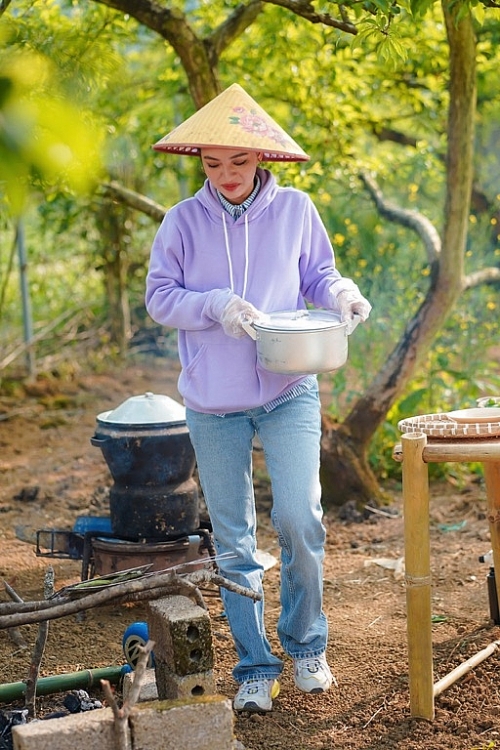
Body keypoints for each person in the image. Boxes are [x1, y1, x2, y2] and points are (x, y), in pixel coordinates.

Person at [145, 83, 371, 712]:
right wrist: (215, 305)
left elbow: (318, 274)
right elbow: (160, 297)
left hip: (289, 386)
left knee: (299, 518)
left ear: (261, 159)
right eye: (212, 164)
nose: (226, 176)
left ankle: (306, 647)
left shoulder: (297, 210)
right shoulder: (182, 221)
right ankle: (255, 666)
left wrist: (344, 295)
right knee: (237, 541)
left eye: (238, 163)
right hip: (212, 401)